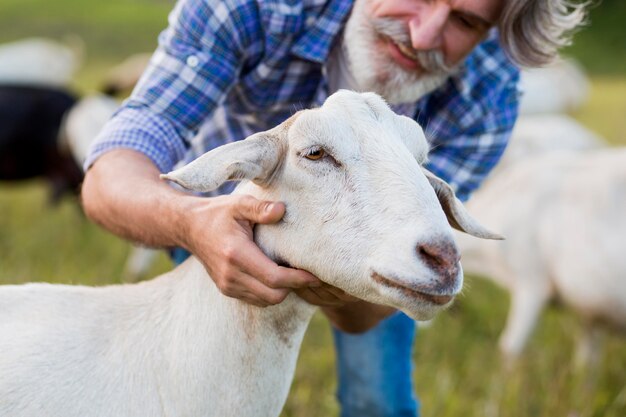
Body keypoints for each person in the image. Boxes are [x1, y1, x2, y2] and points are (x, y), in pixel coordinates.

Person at [81, 0, 586, 415]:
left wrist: (342, 270)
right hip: (215, 217)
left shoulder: (489, 93)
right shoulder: (251, 7)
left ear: (490, 32)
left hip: (378, 249)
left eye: (466, 21)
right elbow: (119, 161)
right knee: (187, 382)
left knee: (377, 397)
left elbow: (370, 311)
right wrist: (191, 223)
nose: (426, 35)